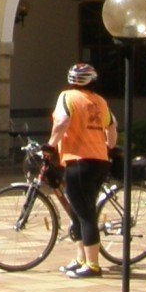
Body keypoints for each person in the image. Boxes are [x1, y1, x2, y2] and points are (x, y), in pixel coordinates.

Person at [49, 62, 116, 278]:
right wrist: (109, 146)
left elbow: (62, 122)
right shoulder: (100, 102)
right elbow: (112, 127)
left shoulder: (66, 97)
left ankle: (93, 265)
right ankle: (81, 259)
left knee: (85, 214)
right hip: (99, 161)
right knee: (79, 212)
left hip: (77, 161)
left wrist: (50, 146)